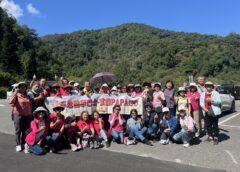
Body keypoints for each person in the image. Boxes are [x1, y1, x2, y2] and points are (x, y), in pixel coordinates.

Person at [9, 82, 32, 152]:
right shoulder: (16, 94)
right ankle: (18, 145)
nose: (23, 88)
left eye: (24, 87)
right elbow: (10, 102)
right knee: (18, 130)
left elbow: (29, 105)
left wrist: (30, 114)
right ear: (18, 88)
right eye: (21, 87)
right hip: (18, 115)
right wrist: (15, 92)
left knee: (25, 131)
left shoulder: (26, 95)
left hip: (27, 115)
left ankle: (23, 143)